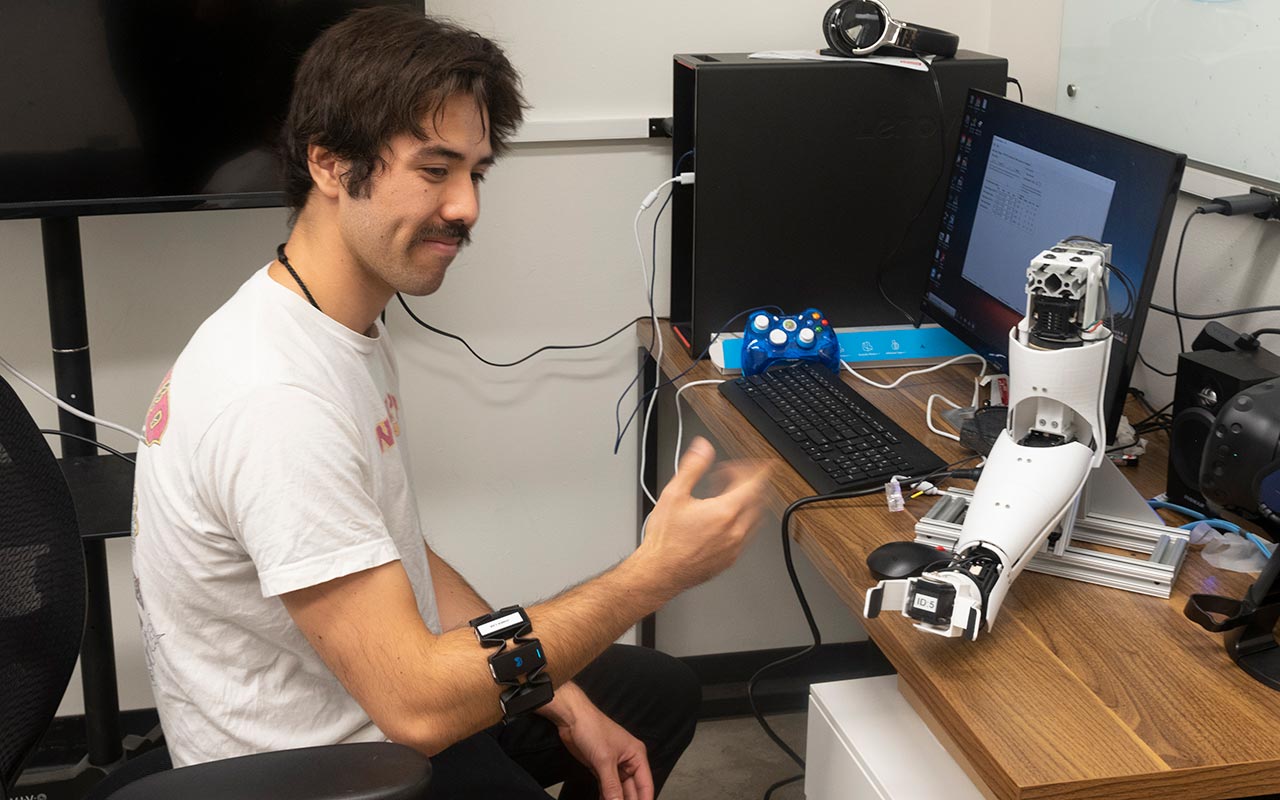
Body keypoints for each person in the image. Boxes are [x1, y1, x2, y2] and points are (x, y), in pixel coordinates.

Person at [131, 7, 771, 799]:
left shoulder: (337, 322)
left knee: (652, 694)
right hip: (318, 768)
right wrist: (652, 576)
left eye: (476, 172)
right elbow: (420, 711)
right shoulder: (275, 398)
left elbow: (390, 547)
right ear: (330, 164)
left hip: (373, 706)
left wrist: (553, 690)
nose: (467, 206)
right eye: (435, 171)